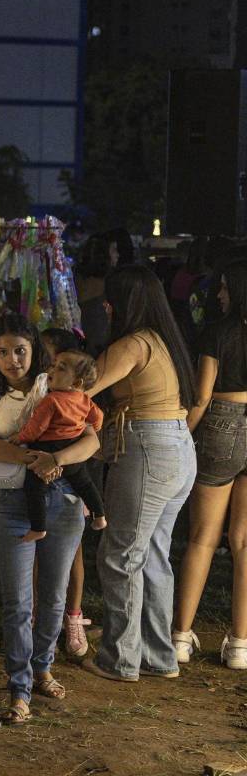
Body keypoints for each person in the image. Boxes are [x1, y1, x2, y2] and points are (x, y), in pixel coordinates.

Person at [0, 313, 97, 723]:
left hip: (63, 497)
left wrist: (56, 458)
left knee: (54, 596)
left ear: (34, 351)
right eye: (2, 351)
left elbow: (93, 436)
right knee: (18, 602)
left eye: (20, 351)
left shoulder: (55, 384)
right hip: (9, 500)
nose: (12, 360)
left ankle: (42, 668)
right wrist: (33, 458)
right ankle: (18, 687)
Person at [83, 264, 197, 682]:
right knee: (152, 554)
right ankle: (157, 656)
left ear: (118, 303)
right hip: (179, 446)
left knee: (121, 555)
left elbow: (81, 389)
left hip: (149, 449)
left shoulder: (132, 344)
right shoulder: (165, 339)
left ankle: (120, 659)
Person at [173, 262, 247, 670]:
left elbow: (201, 397)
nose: (218, 294)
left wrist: (181, 438)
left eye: (223, 287)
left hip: (221, 423)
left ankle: (181, 637)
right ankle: (240, 644)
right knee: (244, 541)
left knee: (203, 536)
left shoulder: (217, 331)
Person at [40, 328, 99, 657]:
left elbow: (92, 434)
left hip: (71, 479)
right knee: (37, 548)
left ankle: (72, 615)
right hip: (39, 480)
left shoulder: (79, 399)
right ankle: (39, 616)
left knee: (72, 553)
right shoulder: (43, 390)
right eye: (48, 361)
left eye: (56, 362)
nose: (50, 367)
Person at [14, 350, 106, 539]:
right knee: (85, 483)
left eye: (61, 368)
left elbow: (35, 428)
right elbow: (98, 418)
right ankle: (100, 516)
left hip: (50, 448)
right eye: (54, 365)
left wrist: (20, 438)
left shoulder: (51, 400)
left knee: (34, 487)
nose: (52, 370)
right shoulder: (85, 400)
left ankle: (38, 528)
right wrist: (89, 426)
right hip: (73, 449)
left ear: (76, 383)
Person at [74, 235, 117, 355]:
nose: (117, 254)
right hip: (97, 335)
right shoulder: (109, 282)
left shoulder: (77, 277)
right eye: (113, 250)